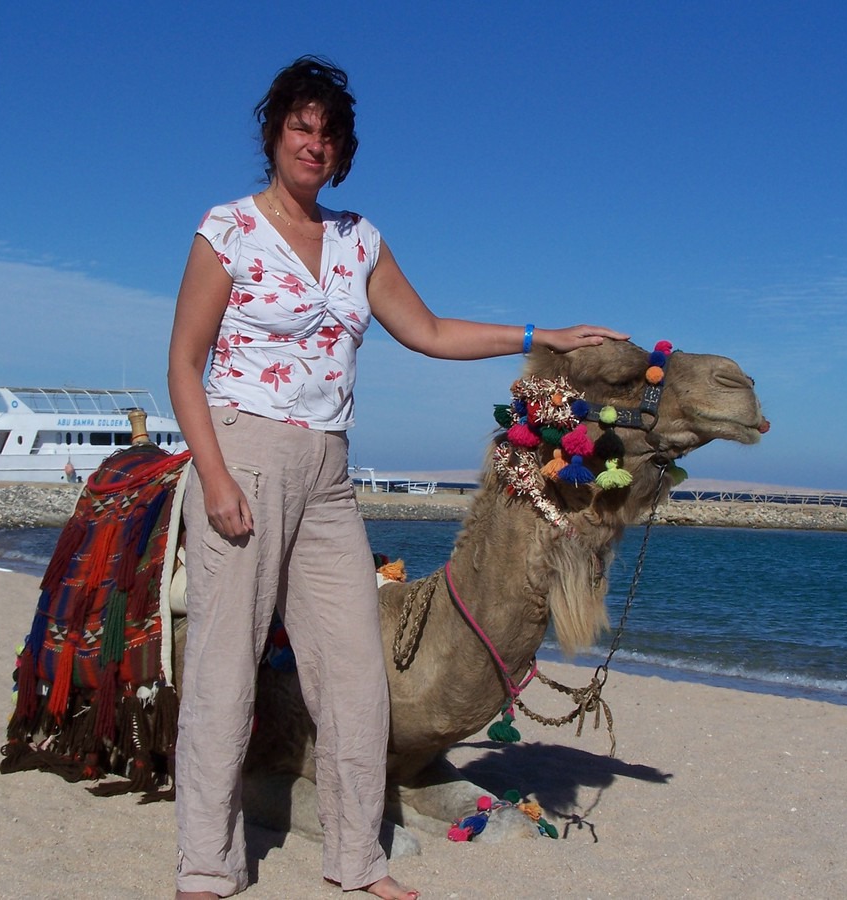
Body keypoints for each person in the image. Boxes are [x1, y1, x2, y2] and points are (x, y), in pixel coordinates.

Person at [167, 55, 628, 900]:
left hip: (329, 474)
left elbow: (430, 330)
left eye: (328, 134)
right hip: (243, 452)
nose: (313, 143)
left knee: (354, 678)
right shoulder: (227, 229)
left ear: (342, 152)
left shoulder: (359, 240)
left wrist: (544, 336)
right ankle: (206, 863)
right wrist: (216, 475)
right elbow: (183, 364)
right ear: (274, 136)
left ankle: (356, 860)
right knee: (224, 671)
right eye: (300, 127)